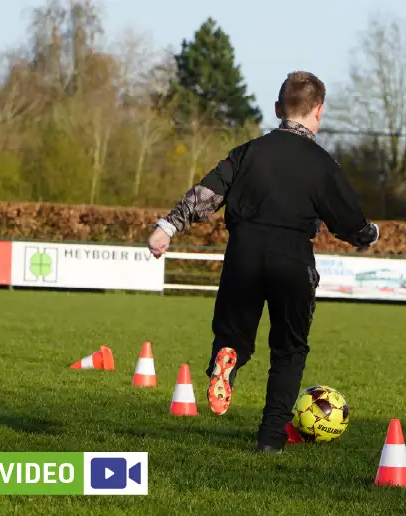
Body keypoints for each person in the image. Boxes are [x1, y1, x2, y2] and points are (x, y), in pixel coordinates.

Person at [146, 71, 379, 454]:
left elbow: (207, 193)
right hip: (292, 258)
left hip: (244, 253)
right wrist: (367, 235)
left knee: (235, 335)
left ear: (277, 110)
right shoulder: (322, 164)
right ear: (319, 111)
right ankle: (270, 438)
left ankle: (227, 358)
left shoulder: (248, 152)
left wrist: (167, 227)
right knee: (289, 349)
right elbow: (348, 220)